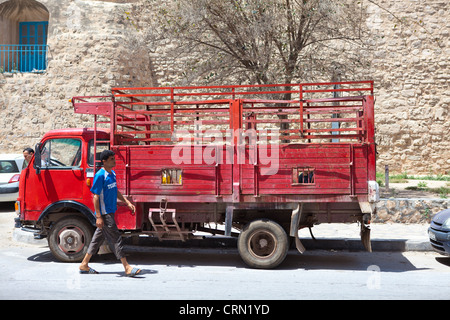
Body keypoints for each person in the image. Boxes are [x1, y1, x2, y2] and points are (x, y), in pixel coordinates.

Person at [79, 149, 141, 277]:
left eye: (114, 158)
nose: (114, 161)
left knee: (97, 239)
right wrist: (98, 216)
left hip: (111, 211)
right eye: (112, 159)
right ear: (104, 161)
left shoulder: (112, 173)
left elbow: (116, 191)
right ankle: (127, 267)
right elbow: (95, 197)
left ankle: (84, 264)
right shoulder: (100, 175)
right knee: (116, 239)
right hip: (105, 213)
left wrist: (127, 203)